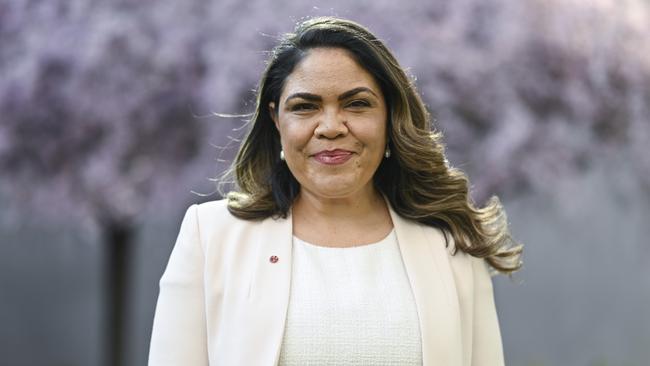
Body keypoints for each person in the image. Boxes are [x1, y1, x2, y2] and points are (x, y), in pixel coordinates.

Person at [148, 16, 523, 366]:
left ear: (390, 117)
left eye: (357, 104)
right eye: (305, 106)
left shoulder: (450, 245)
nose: (330, 127)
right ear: (276, 119)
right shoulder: (211, 236)